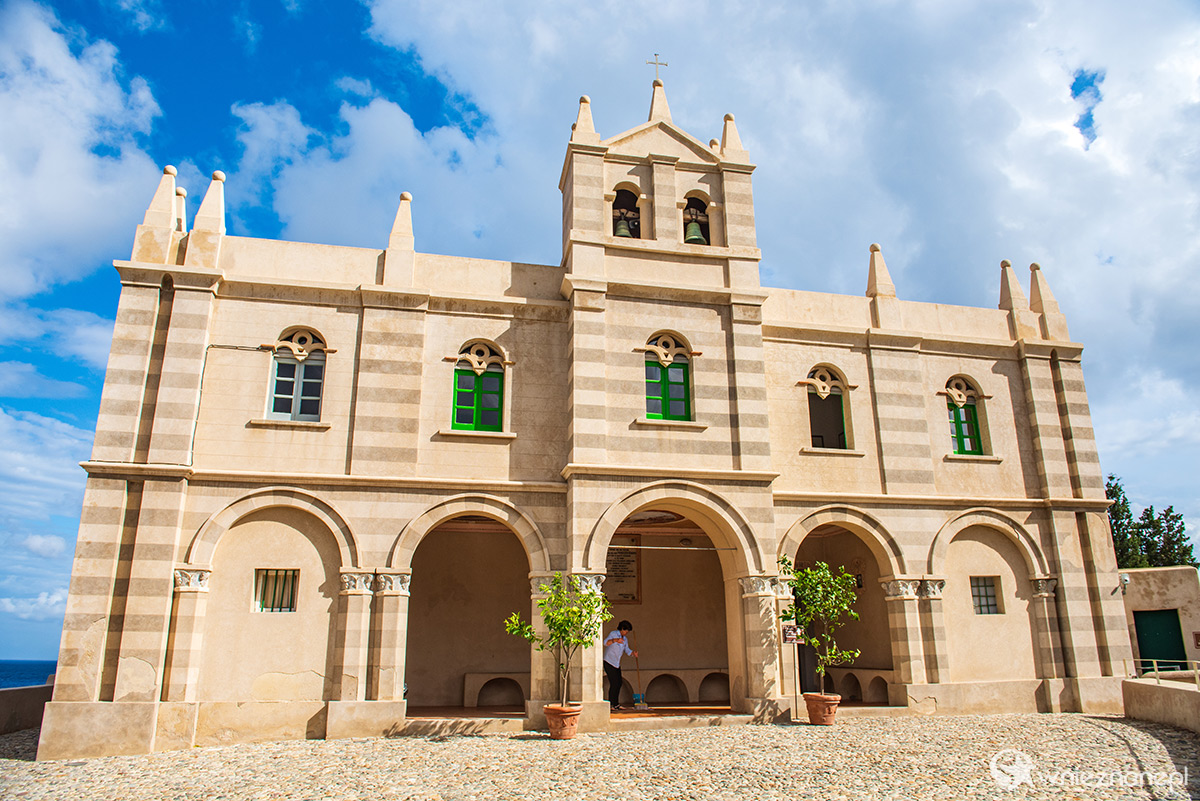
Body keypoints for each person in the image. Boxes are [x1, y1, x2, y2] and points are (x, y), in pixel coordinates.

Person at [603, 620, 637, 710]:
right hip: (608, 662)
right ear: (622, 629)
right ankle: (611, 705)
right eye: (626, 631)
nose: (626, 633)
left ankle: (616, 704)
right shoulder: (613, 634)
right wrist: (615, 640)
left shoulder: (625, 639)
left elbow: (627, 650)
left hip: (616, 663)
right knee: (614, 683)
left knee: (619, 683)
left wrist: (633, 653)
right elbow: (605, 643)